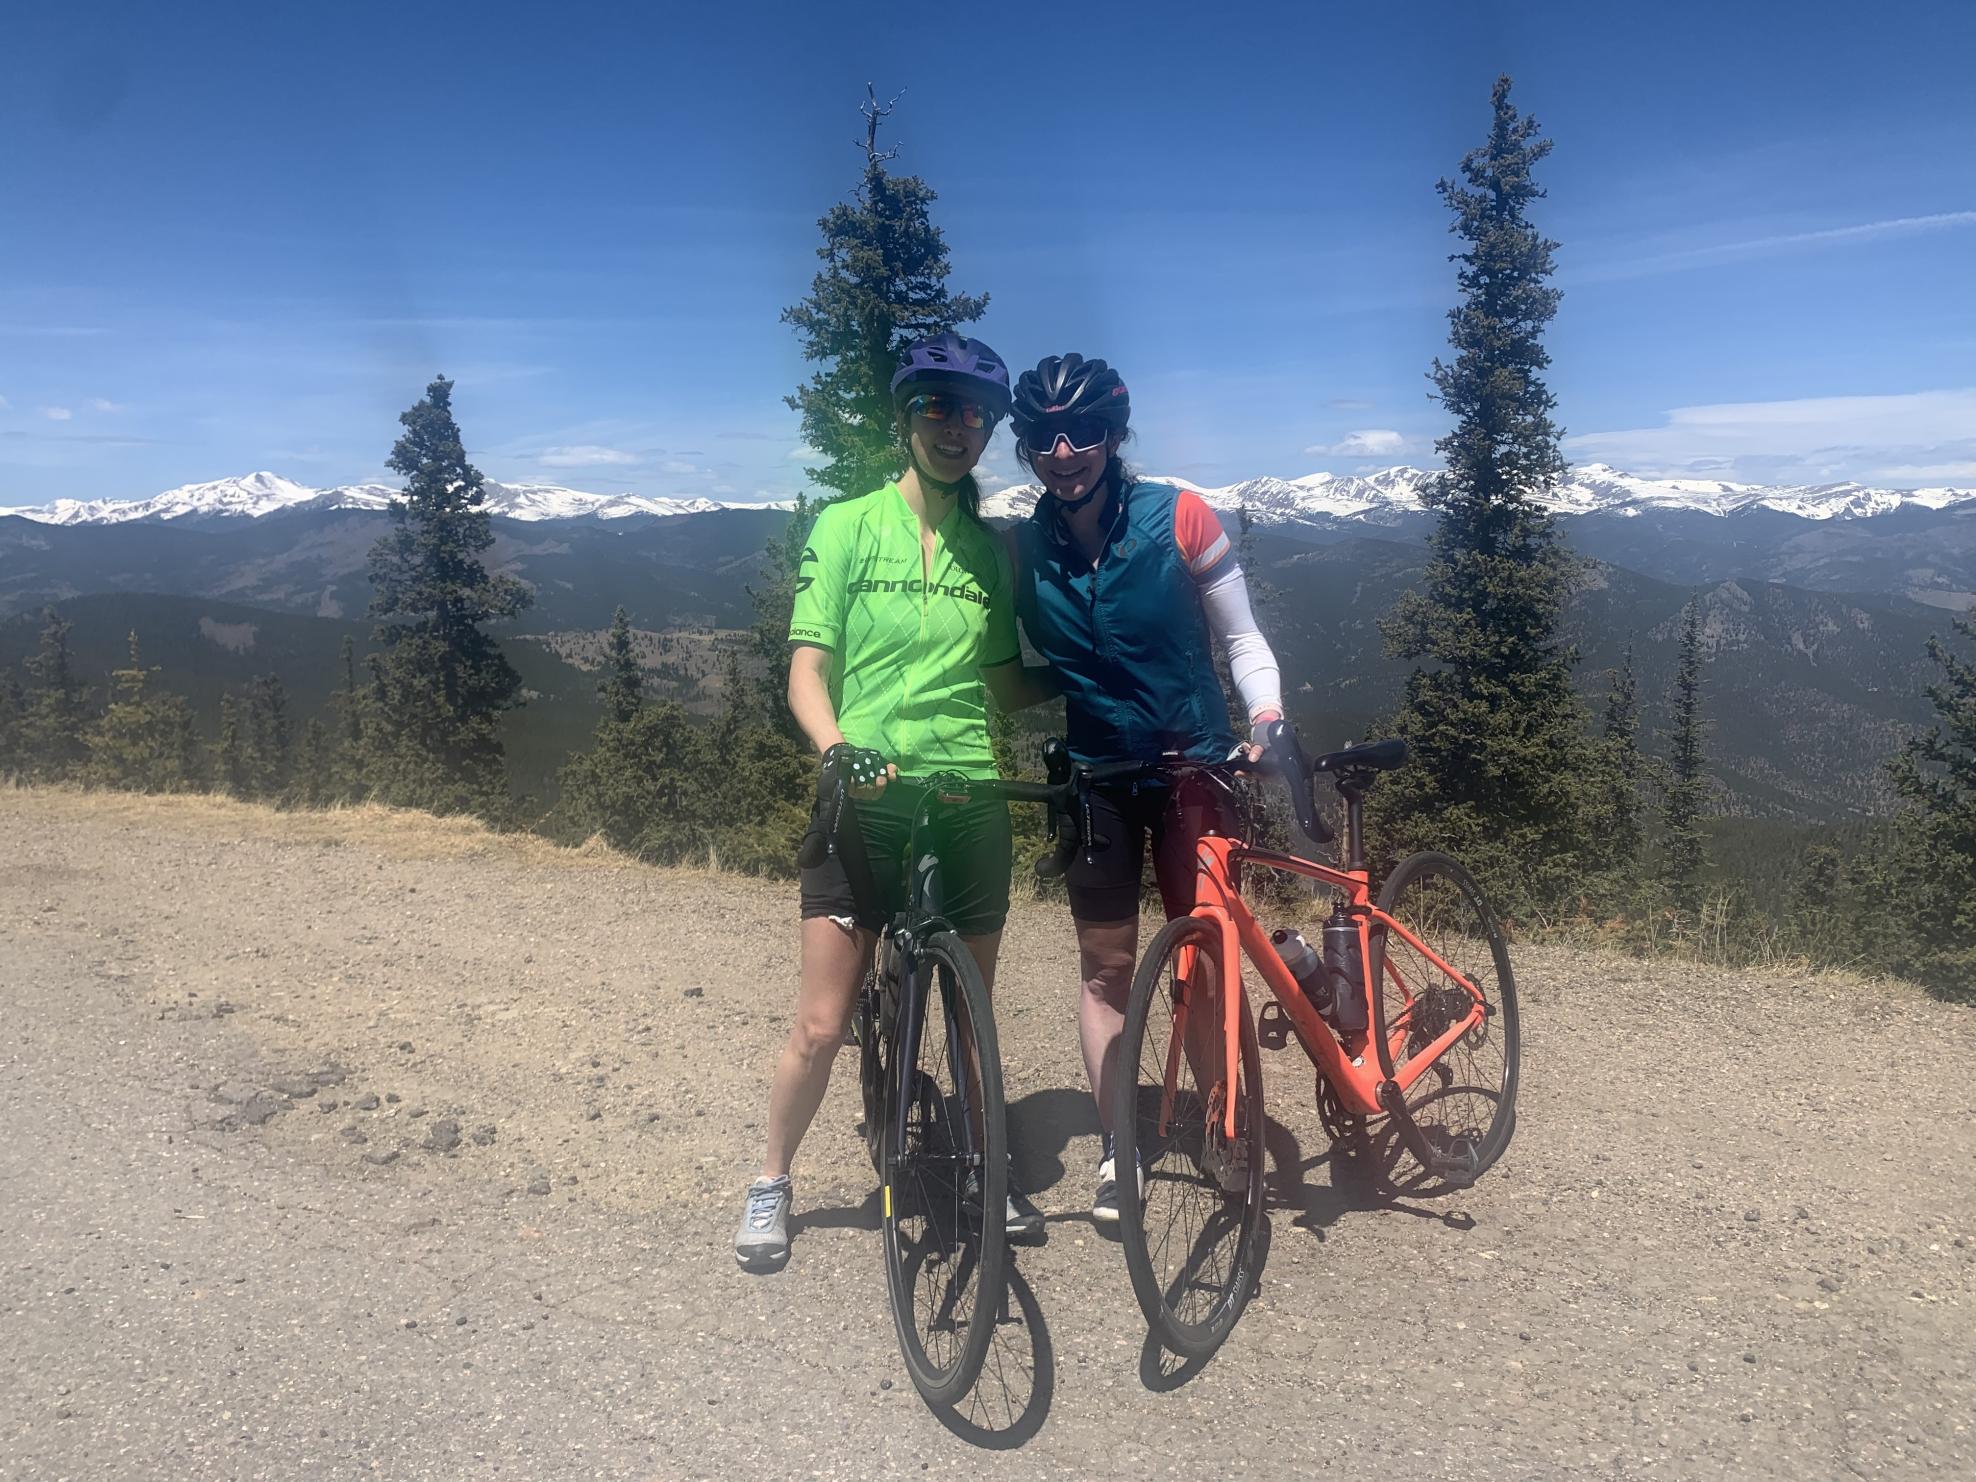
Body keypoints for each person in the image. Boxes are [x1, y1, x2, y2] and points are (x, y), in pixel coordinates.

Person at [735, 332, 1050, 1270]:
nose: (957, 428)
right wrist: (836, 748)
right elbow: (806, 671)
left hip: (967, 792)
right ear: (906, 419)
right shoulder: (845, 526)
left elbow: (1003, 683)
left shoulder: (989, 552)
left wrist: (1103, 683)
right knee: (823, 1023)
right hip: (863, 791)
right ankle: (771, 1179)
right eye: (938, 408)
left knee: (971, 1018)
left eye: (975, 415)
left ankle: (984, 1166)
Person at [1007, 352, 1286, 1224]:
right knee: (1106, 971)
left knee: (1202, 963)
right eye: (1044, 436)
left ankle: (1222, 1123)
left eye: (1083, 431)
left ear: (1114, 434)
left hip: (1194, 773)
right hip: (1097, 779)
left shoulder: (1181, 517)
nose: (1064, 452)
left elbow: (1241, 638)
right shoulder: (1024, 549)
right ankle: (1118, 1146)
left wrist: (1266, 717)